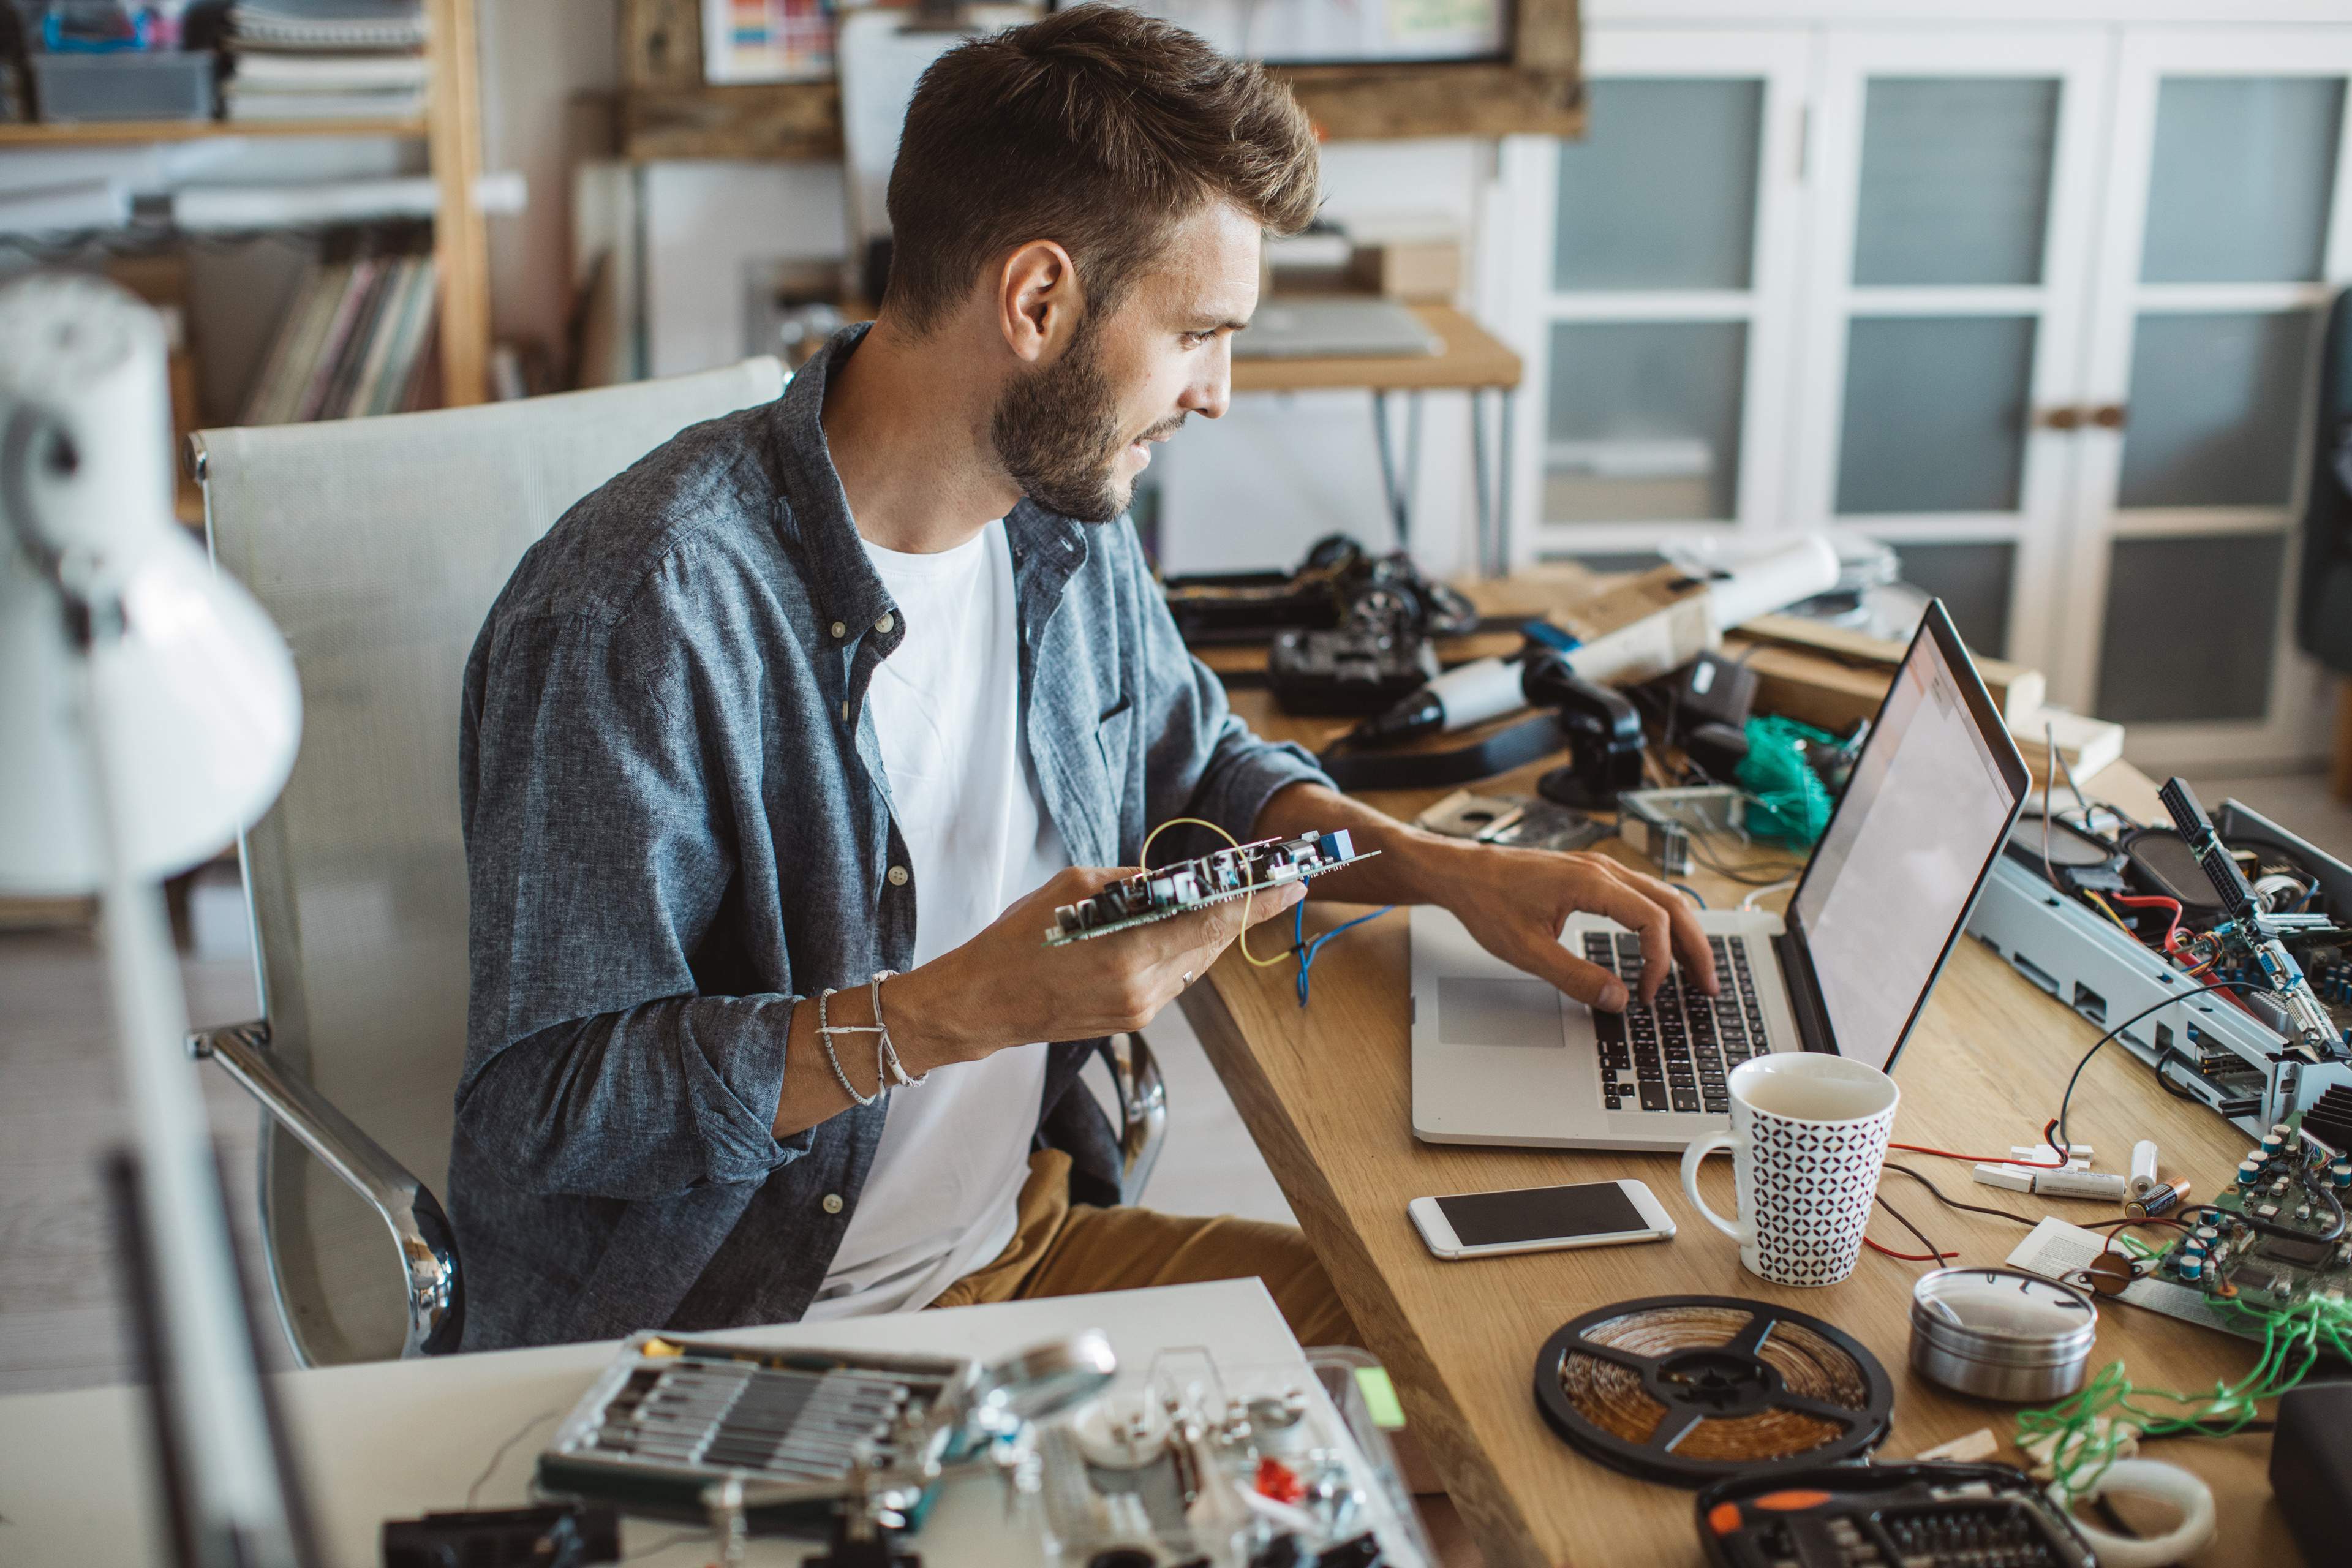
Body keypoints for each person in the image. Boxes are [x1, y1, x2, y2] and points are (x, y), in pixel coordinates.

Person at [451, 2, 1714, 1353]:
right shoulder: (639, 609)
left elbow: (1201, 767)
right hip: (725, 1333)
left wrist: (1447, 870)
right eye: (1198, 335)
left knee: (1494, 1369)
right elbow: (550, 1110)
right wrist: (959, 1008)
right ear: (1039, 299)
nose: (1219, 393)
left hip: (1022, 1250)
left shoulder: (1057, 516)